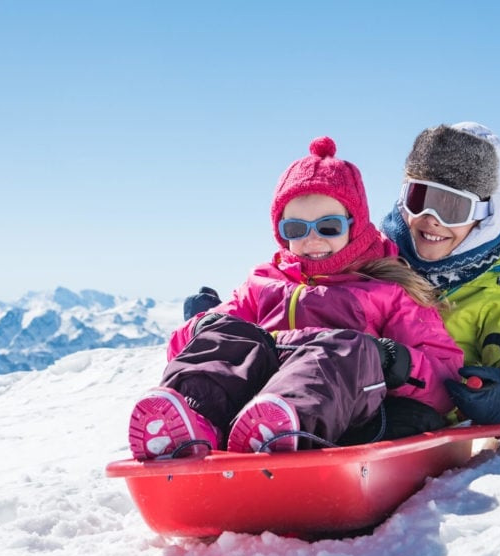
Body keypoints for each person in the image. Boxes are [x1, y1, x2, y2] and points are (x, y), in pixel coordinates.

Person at [128, 137, 464, 461]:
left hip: (344, 414)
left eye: (328, 227)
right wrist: (202, 325)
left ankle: (279, 428)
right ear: (281, 233)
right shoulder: (262, 283)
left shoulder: (387, 290)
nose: (312, 239)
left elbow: (443, 381)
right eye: (295, 229)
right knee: (230, 332)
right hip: (249, 403)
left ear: (355, 225)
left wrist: (395, 362)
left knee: (348, 349)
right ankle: (190, 421)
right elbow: (195, 349)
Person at [378, 122, 500, 425]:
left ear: (486, 216)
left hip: (428, 416)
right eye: (420, 199)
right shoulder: (375, 261)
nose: (431, 219)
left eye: (452, 208)